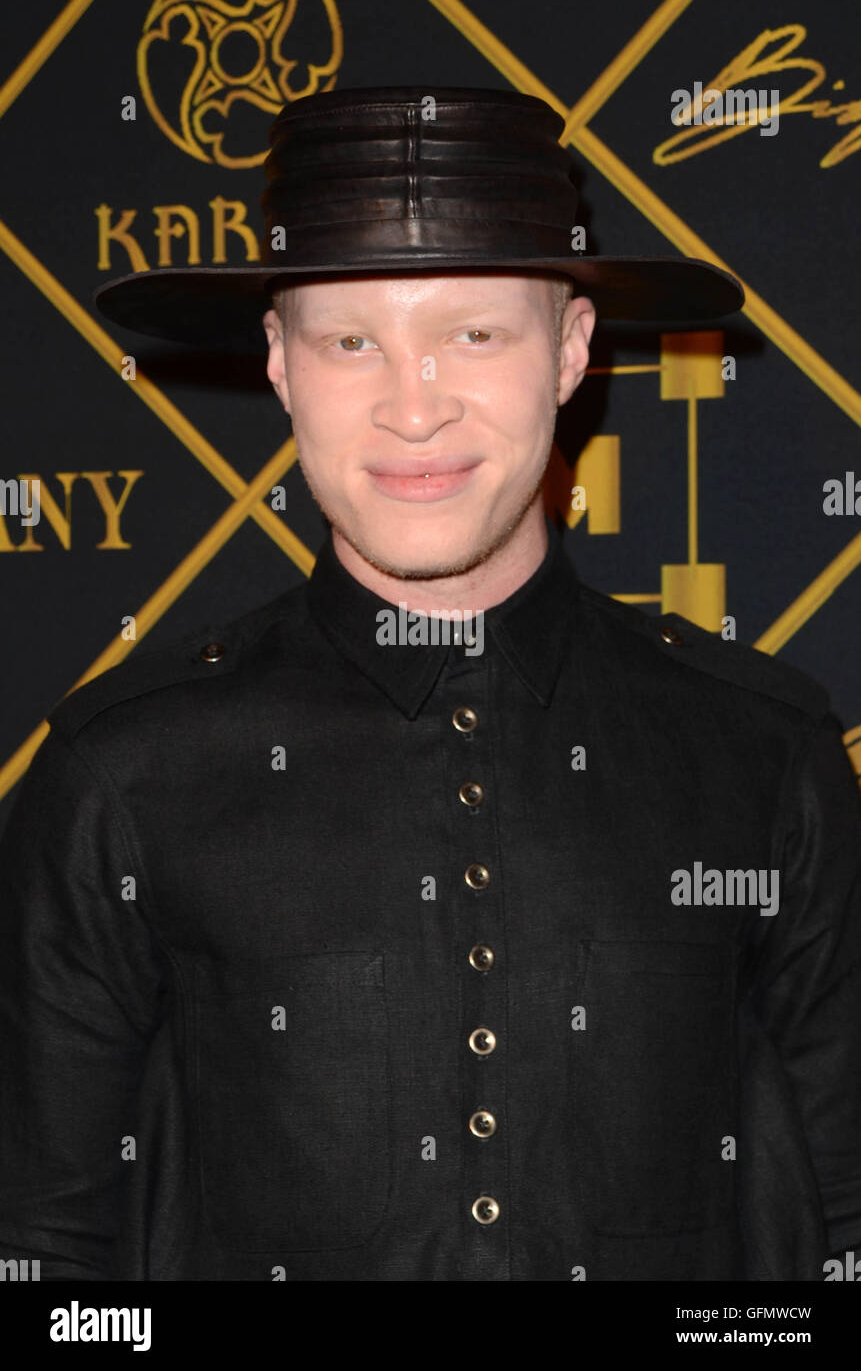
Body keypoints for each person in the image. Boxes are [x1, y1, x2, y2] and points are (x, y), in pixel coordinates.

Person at [0, 86, 858, 1282]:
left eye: (474, 333)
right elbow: (42, 1251)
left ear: (568, 351)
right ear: (280, 365)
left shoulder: (763, 750)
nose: (414, 405)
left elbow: (840, 1213)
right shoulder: (121, 775)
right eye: (351, 340)